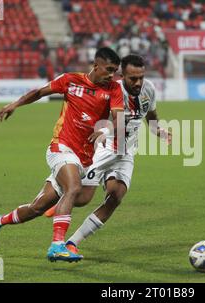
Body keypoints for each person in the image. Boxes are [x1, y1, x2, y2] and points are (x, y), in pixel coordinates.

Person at [0, 47, 124, 263]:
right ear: (96, 66)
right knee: (73, 188)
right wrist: (15, 104)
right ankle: (57, 245)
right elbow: (39, 92)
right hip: (61, 147)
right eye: (108, 70)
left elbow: (118, 119)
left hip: (84, 158)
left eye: (115, 71)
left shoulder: (113, 89)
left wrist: (104, 130)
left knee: (37, 208)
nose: (112, 75)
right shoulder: (70, 80)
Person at [43, 54, 172, 255]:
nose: (138, 83)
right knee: (82, 196)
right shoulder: (112, 90)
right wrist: (103, 131)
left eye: (141, 77)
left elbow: (152, 117)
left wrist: (160, 131)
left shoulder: (149, 89)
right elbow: (103, 116)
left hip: (126, 152)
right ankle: (56, 200)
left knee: (116, 195)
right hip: (104, 148)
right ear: (122, 76)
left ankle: (72, 242)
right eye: (133, 78)